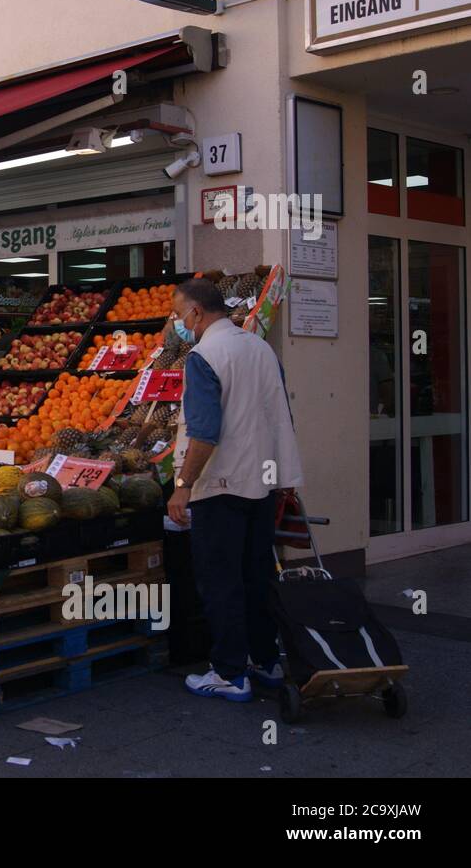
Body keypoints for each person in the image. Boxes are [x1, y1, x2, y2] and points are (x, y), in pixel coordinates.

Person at [166, 278, 304, 704]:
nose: (175, 322)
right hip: (261, 483)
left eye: (177, 313)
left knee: (220, 581)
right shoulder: (260, 348)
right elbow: (278, 411)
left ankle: (229, 672)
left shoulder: (204, 355)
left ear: (197, 313)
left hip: (220, 485)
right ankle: (265, 662)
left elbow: (205, 432)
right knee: (256, 576)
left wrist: (183, 486)